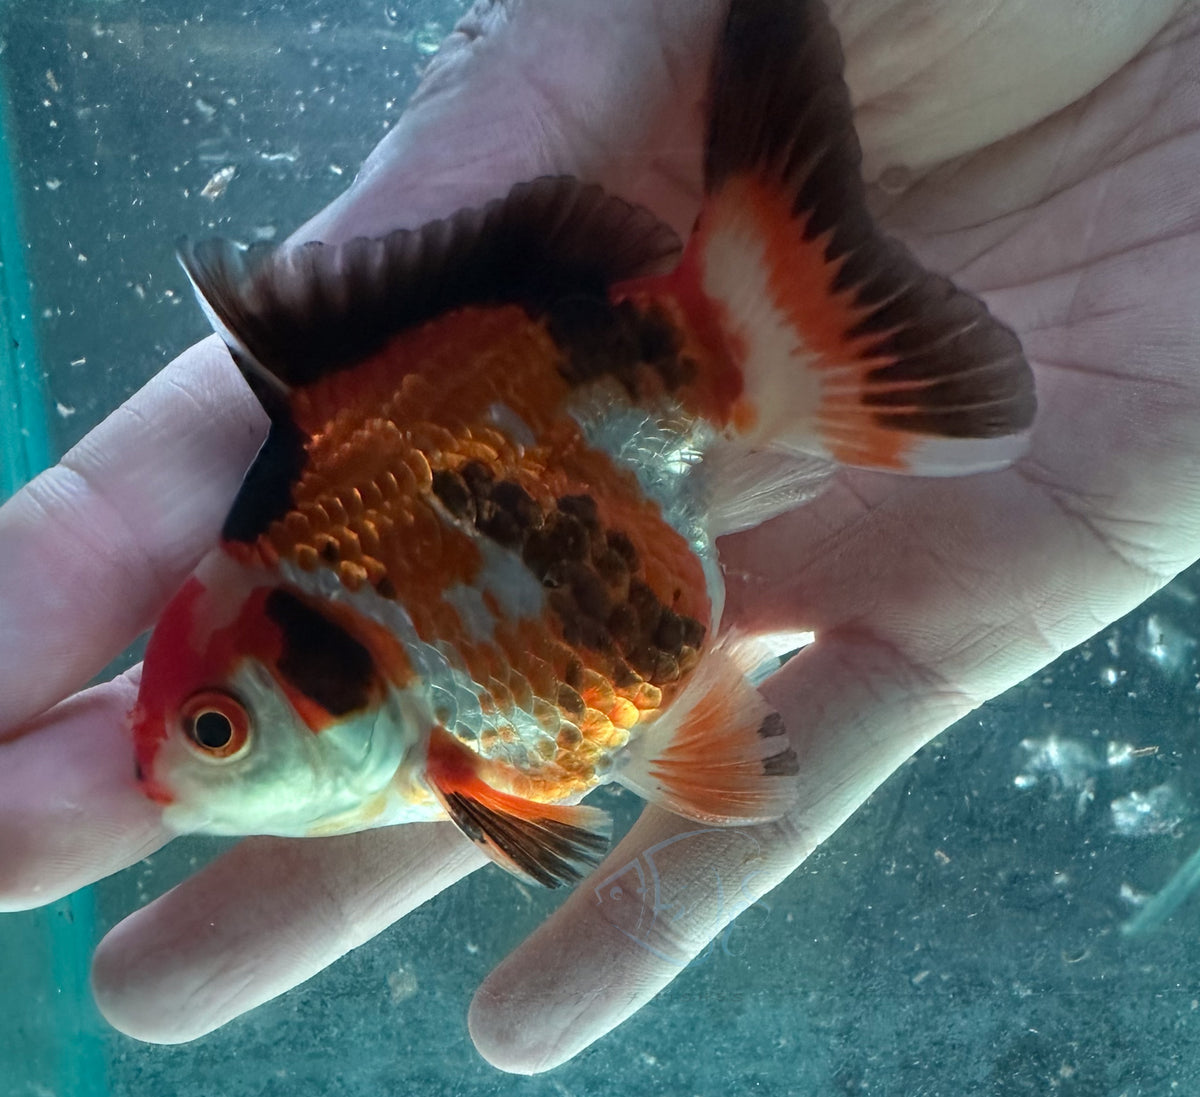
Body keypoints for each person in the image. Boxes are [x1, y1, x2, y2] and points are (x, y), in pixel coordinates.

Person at [1, 0, 1197, 1074]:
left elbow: (608, 774)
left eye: (217, 728)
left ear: (330, 681)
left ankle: (750, 325)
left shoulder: (449, 756)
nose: (180, 772)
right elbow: (680, 751)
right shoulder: (412, 720)